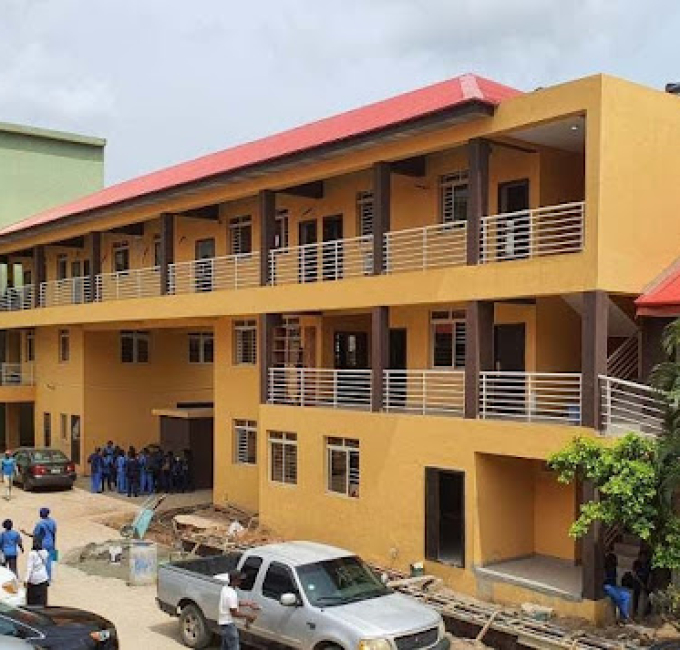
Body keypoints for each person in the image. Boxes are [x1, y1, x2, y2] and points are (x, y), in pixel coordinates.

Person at [217, 571, 259, 650]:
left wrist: (248, 603)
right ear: (234, 581)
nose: (241, 582)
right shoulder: (231, 594)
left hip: (223, 623)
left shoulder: (225, 588)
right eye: (240, 580)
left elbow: (233, 604)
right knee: (234, 647)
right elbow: (234, 613)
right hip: (228, 625)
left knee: (225, 647)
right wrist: (248, 616)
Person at [604, 552, 631, 622]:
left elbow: (614, 581)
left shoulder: (614, 569)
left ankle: (623, 617)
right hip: (606, 587)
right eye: (613, 560)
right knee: (618, 598)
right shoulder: (604, 569)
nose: (615, 562)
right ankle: (626, 616)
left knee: (626, 594)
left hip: (613, 587)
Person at [31, 508, 57, 580]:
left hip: (42, 544)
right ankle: (50, 578)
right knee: (51, 561)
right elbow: (54, 533)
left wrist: (25, 533)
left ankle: (45, 579)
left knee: (43, 562)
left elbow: (35, 535)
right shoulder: (53, 522)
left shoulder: (40, 524)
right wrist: (54, 544)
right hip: (51, 543)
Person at [24, 539, 50, 606]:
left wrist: (26, 580)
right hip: (43, 578)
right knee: (42, 600)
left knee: (32, 601)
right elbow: (47, 563)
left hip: (33, 580)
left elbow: (29, 568)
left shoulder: (31, 554)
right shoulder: (45, 552)